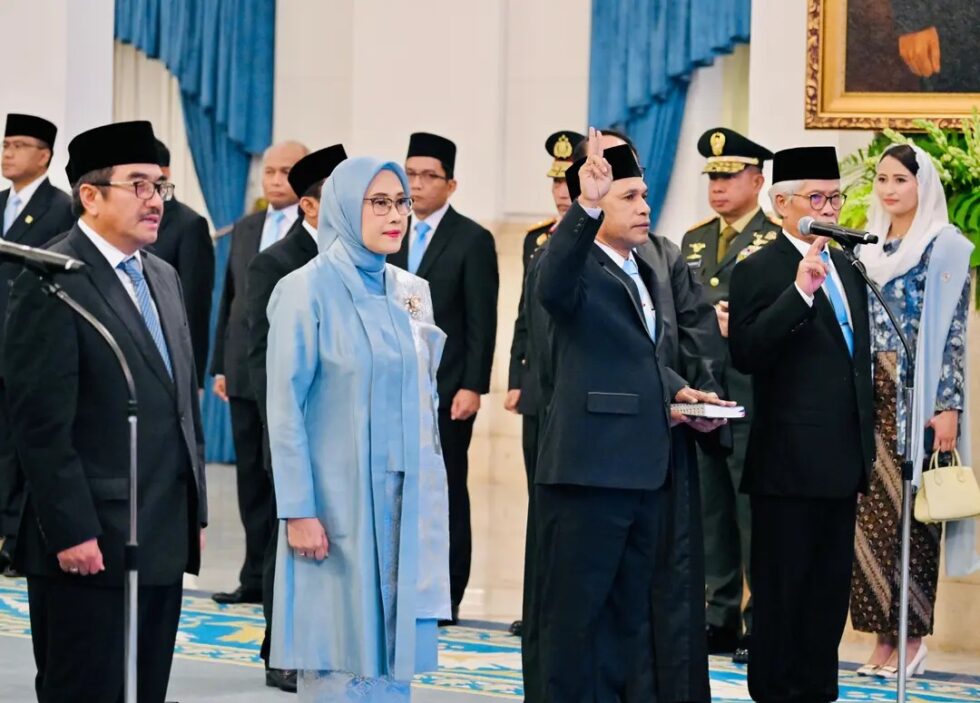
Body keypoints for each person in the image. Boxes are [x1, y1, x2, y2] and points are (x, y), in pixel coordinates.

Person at [2, 120, 207, 702]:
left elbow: (179, 403)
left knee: (144, 689)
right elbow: (39, 424)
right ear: (90, 196)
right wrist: (72, 530)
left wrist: (193, 510)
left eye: (160, 186)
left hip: (160, 533)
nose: (155, 200)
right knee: (86, 689)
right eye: (138, 185)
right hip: (89, 541)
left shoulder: (162, 275)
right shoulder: (52, 278)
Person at [531, 130, 728, 701]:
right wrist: (586, 207)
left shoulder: (644, 266)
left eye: (644, 195)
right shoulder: (570, 261)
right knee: (576, 624)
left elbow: (640, 358)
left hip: (645, 471)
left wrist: (686, 396)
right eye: (629, 197)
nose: (644, 206)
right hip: (590, 472)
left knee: (629, 622)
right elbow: (552, 288)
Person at [265, 156, 450, 701]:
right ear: (345, 207)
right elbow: (285, 407)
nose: (396, 215)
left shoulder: (411, 291)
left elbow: (425, 394)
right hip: (336, 504)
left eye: (402, 202)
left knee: (393, 652)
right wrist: (298, 509)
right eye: (380, 203)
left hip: (402, 500)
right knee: (339, 649)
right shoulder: (305, 289)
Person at [729, 146, 875, 703]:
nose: (829, 208)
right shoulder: (758, 269)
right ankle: (775, 693)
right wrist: (799, 294)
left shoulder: (849, 267)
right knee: (782, 594)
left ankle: (817, 692)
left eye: (835, 197)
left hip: (842, 461)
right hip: (787, 465)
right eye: (816, 198)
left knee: (826, 597)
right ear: (780, 204)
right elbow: (747, 352)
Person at [850, 143, 977, 678]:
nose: (888, 189)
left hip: (916, 398)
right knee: (870, 525)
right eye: (881, 179)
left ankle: (912, 638)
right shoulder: (868, 246)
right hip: (868, 395)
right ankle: (881, 639)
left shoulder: (944, 246)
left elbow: (952, 334)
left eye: (900, 179)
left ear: (922, 184)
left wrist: (948, 406)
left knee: (913, 521)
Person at [245, 143, 348, 693]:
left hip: (346, 438)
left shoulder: (365, 261)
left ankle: (327, 643)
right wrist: (285, 431)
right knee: (284, 540)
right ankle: (279, 649)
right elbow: (263, 358)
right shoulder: (278, 263)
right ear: (309, 206)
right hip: (297, 430)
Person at [389, 132, 498, 623]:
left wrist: (473, 385)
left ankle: (447, 592)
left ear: (450, 184)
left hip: (448, 388)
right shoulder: (390, 232)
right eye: (409, 174)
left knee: (446, 489)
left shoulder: (472, 239)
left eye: (428, 176)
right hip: (394, 387)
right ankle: (400, 584)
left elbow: (481, 319)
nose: (416, 184)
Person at [681, 127, 778, 663]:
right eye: (713, 177)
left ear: (758, 181)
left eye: (729, 176)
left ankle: (759, 620)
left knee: (750, 513)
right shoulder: (694, 240)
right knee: (710, 509)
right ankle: (717, 616)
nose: (717, 187)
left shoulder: (773, 240)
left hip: (749, 393)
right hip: (704, 391)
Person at [211, 140, 307, 605]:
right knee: (249, 477)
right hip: (242, 371)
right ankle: (252, 575)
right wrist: (219, 366)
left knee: (281, 476)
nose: (275, 180)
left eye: (286, 171)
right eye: (269, 171)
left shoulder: (315, 232)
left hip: (287, 370)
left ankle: (281, 578)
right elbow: (229, 300)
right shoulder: (247, 227)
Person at [505, 128, 583, 639]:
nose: (560, 191)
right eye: (555, 181)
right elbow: (524, 315)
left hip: (577, 388)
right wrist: (517, 376)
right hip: (539, 389)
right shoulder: (537, 239)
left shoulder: (599, 237)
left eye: (568, 180)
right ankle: (537, 602)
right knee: (538, 501)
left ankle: (566, 604)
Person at [0, 113, 75, 573]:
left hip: (29, 345)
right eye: (5, 144)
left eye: (19, 145)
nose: (8, 153)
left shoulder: (60, 208)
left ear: (44, 155)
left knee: (22, 444)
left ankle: (15, 538)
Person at [147, 139, 214, 388]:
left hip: (171, 363)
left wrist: (191, 380)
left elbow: (194, 308)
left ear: (165, 172)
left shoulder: (189, 225)